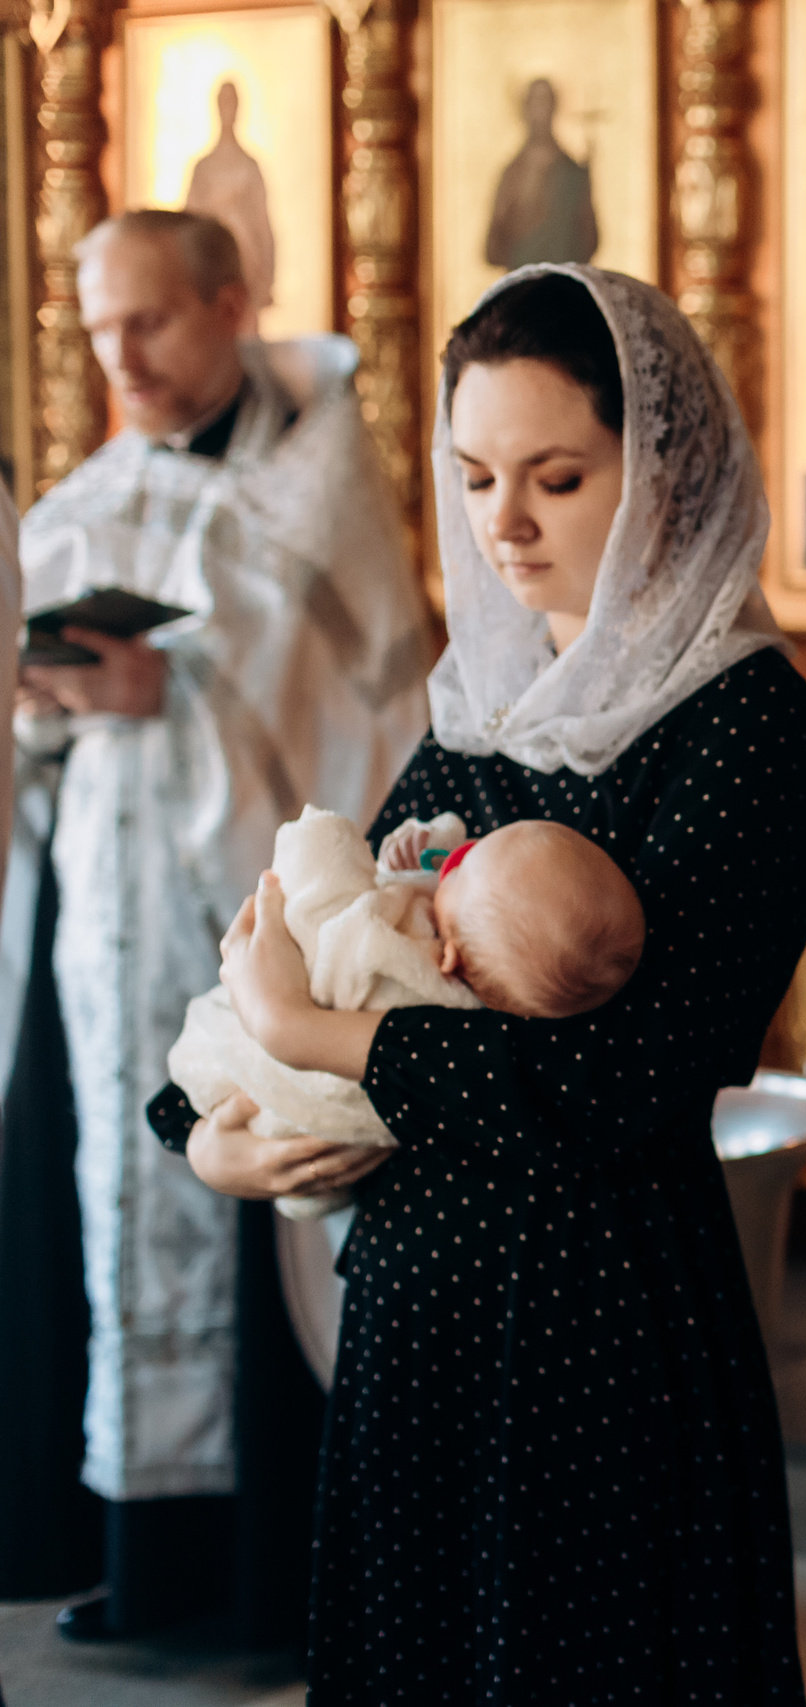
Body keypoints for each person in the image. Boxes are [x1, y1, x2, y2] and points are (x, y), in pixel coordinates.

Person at [164, 264, 806, 1701]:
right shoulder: (486, 704)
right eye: (473, 476)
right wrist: (209, 1120)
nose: (505, 525)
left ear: (659, 469)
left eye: (556, 476)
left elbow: (618, 1083)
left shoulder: (745, 723)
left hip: (600, 1321)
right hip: (415, 1312)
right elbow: (329, 918)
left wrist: (320, 1034)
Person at [0, 209, 430, 1644]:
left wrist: (162, 700)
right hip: (101, 933)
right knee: (107, 1204)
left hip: (251, 938)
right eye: (99, 329)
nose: (123, 357)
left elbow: (358, 716)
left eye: (153, 323)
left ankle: (266, 1580)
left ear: (233, 302)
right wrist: (50, 703)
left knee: (256, 1210)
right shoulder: (92, 491)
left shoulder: (319, 492)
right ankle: (140, 1558)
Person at [167, 808, 646, 1220]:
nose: (460, 853)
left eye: (463, 867)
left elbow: (330, 911)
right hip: (313, 1174)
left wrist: (317, 839)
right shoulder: (480, 999)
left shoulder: (402, 960)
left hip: (275, 1101)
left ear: (450, 957)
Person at [483, 77, 601, 270]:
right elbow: (492, 251)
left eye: (545, 103)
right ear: (524, 110)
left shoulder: (572, 173)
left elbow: (589, 243)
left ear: (554, 109)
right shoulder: (512, 174)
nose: (540, 112)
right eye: (534, 103)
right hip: (521, 289)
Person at [184, 83, 277, 324]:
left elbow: (262, 223)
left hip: (246, 263)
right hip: (211, 263)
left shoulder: (249, 166)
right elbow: (188, 226)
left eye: (232, 103)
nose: (228, 109)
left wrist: (267, 277)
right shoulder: (203, 168)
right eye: (223, 102)